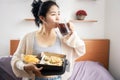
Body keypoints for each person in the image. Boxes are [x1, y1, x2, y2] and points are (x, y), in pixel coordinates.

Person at [11, 0, 86, 80]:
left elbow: (81, 50)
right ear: (42, 18)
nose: (58, 18)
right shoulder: (28, 37)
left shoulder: (64, 37)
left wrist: (72, 34)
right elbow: (16, 59)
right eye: (53, 14)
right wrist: (25, 66)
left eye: (59, 14)